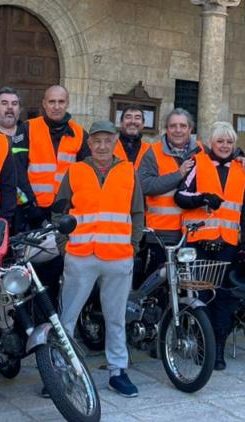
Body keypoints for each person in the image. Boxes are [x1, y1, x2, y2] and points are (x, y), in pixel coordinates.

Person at [53, 120, 145, 398]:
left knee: (115, 318)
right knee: (67, 317)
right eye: (97, 141)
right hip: (80, 255)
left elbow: (138, 212)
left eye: (107, 140)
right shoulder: (76, 171)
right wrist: (63, 246)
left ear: (115, 142)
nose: (102, 146)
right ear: (89, 144)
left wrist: (133, 245)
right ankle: (60, 372)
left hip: (118, 257)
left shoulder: (128, 171)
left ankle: (118, 371)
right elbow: (60, 210)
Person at [176, 121, 245, 371]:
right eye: (220, 141)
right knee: (200, 298)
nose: (224, 146)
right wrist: (201, 198)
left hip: (228, 245)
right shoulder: (197, 163)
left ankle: (218, 348)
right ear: (211, 143)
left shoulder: (241, 170)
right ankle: (203, 346)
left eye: (229, 142)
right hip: (199, 243)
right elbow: (180, 195)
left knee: (224, 300)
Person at [136, 108, 200, 279]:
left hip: (194, 230)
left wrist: (240, 157)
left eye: (182, 126)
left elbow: (224, 159)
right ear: (166, 129)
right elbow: (145, 186)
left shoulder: (202, 151)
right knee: (160, 281)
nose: (178, 130)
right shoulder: (152, 152)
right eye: (173, 126)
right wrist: (178, 175)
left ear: (190, 129)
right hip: (162, 231)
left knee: (188, 281)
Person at [25, 85, 91, 225]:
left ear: (67, 103)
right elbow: (17, 170)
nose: (56, 106)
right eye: (52, 102)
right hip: (33, 208)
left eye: (61, 102)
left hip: (66, 209)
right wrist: (28, 204)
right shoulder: (27, 128)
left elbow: (86, 174)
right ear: (44, 104)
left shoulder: (80, 134)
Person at [0, 86, 38, 232]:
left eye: (14, 104)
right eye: (4, 103)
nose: (10, 108)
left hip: (25, 210)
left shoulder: (29, 133)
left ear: (20, 110)